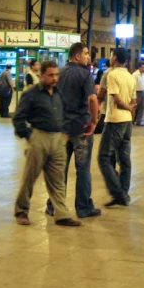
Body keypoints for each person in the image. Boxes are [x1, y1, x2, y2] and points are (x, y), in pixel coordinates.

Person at [12, 60, 81, 227]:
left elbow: (65, 113)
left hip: (57, 140)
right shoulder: (31, 94)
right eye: (51, 75)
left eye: (56, 74)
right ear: (41, 75)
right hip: (39, 138)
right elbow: (19, 118)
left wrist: (65, 133)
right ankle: (21, 211)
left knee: (58, 179)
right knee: (30, 177)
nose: (55, 78)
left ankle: (62, 214)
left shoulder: (58, 94)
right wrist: (30, 136)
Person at [45, 43, 101, 219]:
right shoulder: (84, 75)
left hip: (62, 128)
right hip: (81, 128)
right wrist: (94, 120)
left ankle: (53, 205)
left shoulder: (58, 73)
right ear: (77, 56)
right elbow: (92, 99)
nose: (88, 57)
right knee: (83, 169)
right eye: (85, 54)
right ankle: (83, 207)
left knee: (59, 168)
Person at [98, 47, 136, 207]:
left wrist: (126, 108)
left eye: (111, 55)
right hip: (127, 122)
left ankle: (118, 193)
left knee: (103, 157)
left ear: (114, 58)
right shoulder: (130, 76)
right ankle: (124, 192)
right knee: (124, 159)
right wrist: (130, 110)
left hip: (115, 120)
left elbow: (116, 99)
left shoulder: (112, 75)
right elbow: (134, 102)